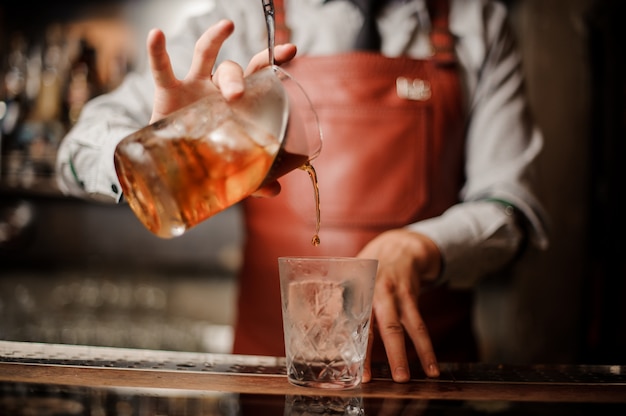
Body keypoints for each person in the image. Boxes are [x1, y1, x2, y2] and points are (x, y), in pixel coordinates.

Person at [55, 0, 549, 383]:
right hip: (269, 377)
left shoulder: (478, 19)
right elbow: (75, 153)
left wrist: (425, 246)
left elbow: (512, 207)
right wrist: (152, 152)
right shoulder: (244, 18)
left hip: (429, 382)